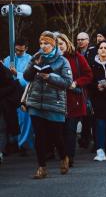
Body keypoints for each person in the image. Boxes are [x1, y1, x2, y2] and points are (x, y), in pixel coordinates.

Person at [23, 31, 73, 179]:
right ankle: (41, 167)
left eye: (47, 44)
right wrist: (34, 66)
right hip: (36, 102)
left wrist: (49, 77)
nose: (43, 46)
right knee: (39, 135)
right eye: (41, 44)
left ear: (53, 45)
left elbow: (67, 82)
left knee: (56, 135)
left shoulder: (63, 61)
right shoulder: (36, 57)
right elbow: (26, 76)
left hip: (54, 103)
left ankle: (64, 157)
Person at [57, 33, 93, 168]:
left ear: (67, 44)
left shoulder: (77, 57)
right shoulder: (52, 59)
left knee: (70, 130)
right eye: (56, 44)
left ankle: (69, 157)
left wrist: (77, 82)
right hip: (57, 100)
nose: (59, 47)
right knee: (59, 130)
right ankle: (62, 155)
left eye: (61, 44)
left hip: (74, 99)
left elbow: (88, 75)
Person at [3, 38, 33, 154]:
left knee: (24, 119)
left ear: (26, 48)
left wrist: (17, 74)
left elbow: (30, 78)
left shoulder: (30, 60)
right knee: (11, 118)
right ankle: (13, 142)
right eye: (17, 50)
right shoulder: (8, 59)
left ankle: (23, 144)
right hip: (10, 94)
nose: (18, 53)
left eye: (21, 51)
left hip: (23, 92)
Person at [0, 64, 18, 164]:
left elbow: (12, 85)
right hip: (3, 104)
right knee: (2, 130)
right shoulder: (3, 69)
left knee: (2, 129)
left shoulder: (3, 69)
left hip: (2, 105)